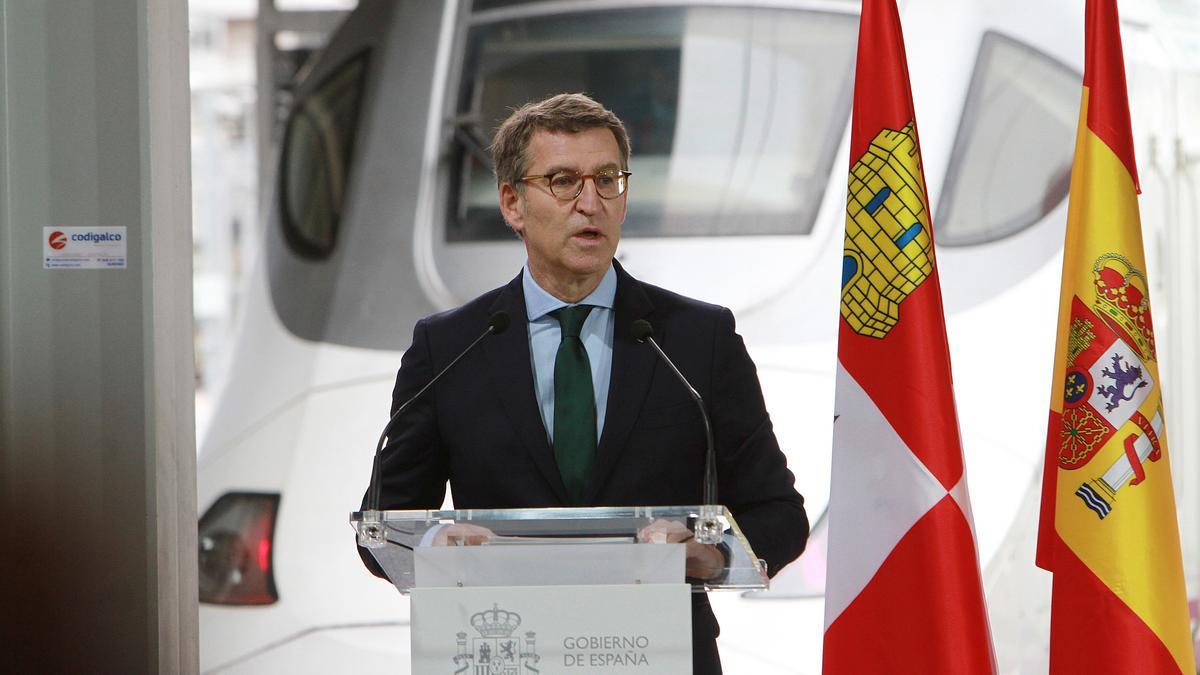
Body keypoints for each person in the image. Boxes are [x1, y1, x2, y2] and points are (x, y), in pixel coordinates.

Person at [359, 93, 808, 674]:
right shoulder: (449, 348)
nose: (591, 202)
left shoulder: (698, 339)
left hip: (662, 653)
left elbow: (779, 516)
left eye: (607, 180)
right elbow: (386, 521)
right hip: (505, 650)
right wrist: (434, 552)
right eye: (564, 181)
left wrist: (699, 555)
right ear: (512, 203)